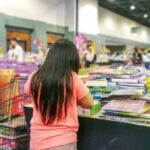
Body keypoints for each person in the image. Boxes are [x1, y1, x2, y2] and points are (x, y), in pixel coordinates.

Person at [24, 39, 94, 150]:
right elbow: (89, 102)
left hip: (37, 140)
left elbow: (29, 92)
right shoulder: (72, 78)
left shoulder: (34, 76)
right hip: (63, 141)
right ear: (72, 59)